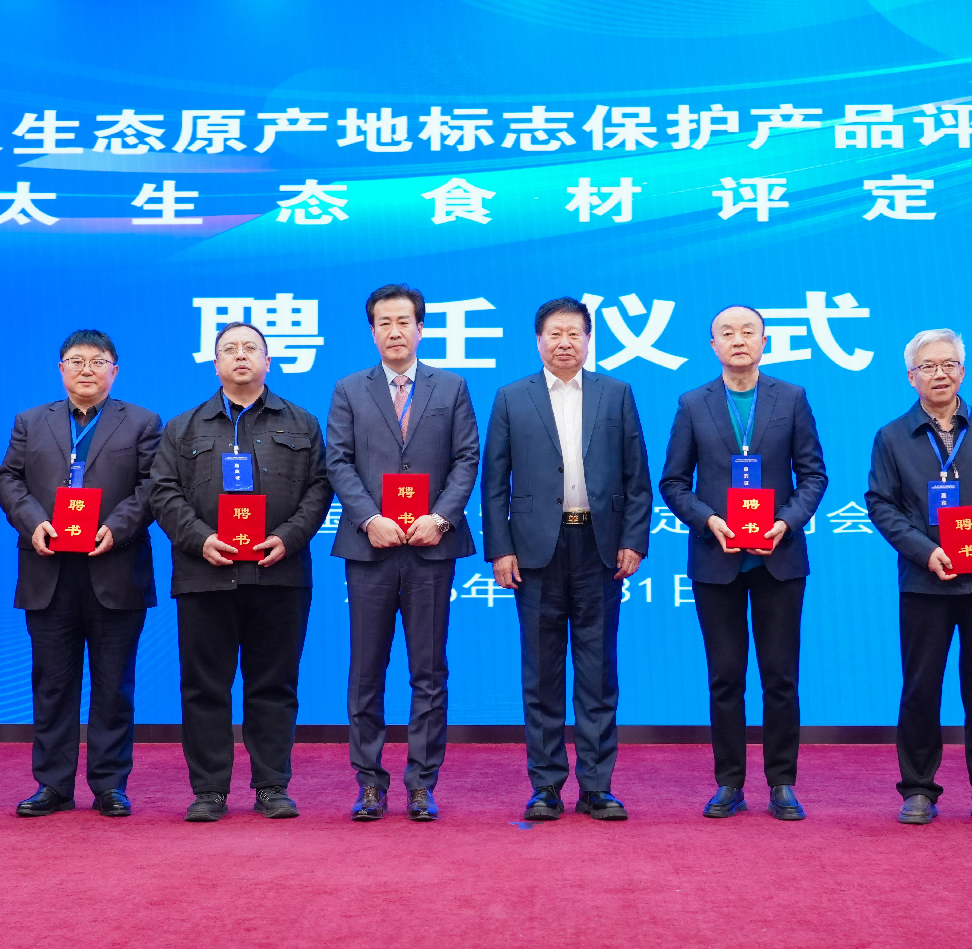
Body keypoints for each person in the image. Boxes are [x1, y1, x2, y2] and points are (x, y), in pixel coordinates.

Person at [149, 322, 333, 823]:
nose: (241, 355)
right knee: (204, 687)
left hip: (279, 573)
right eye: (229, 349)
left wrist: (289, 537)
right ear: (215, 365)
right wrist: (200, 539)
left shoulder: (302, 422)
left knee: (274, 684)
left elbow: (320, 488)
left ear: (268, 361)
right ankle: (209, 790)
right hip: (205, 573)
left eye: (251, 347)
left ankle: (272, 785)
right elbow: (163, 491)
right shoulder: (183, 427)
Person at [483, 297, 652, 822]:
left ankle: (597, 786)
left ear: (588, 340)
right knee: (541, 674)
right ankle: (546, 786)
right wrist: (501, 548)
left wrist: (634, 540)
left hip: (599, 548)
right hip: (536, 552)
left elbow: (637, 477)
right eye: (554, 334)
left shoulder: (616, 394)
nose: (564, 343)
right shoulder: (511, 397)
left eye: (574, 334)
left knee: (598, 673)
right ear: (538, 340)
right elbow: (494, 483)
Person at [659, 305, 828, 820]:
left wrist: (786, 523)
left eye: (748, 332)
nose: (738, 340)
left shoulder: (791, 398)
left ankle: (782, 783)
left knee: (781, 678)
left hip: (779, 559)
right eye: (727, 333)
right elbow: (673, 482)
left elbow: (813, 475)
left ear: (764, 341)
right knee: (725, 678)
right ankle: (729, 782)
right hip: (718, 559)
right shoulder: (693, 403)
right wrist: (709, 520)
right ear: (713, 345)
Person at [326, 285, 480, 822]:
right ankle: (369, 783)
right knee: (365, 671)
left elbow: (467, 459)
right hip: (370, 547)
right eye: (384, 323)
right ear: (372, 331)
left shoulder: (451, 387)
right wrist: (370, 518)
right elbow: (338, 461)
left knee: (429, 672)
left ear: (420, 328)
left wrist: (441, 517)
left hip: (430, 547)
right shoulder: (349, 388)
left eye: (404, 322)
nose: (394, 331)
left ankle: (421, 784)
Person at [0, 329, 163, 819]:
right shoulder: (31, 421)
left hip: (115, 567)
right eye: (76, 360)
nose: (86, 369)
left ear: (115, 370)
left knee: (114, 686)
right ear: (61, 368)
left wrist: (116, 528)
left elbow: (154, 486)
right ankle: (52, 784)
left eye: (98, 361)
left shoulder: (143, 422)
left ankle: (110, 784)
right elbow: (8, 478)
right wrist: (34, 522)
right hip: (49, 569)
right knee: (52, 684)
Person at [864, 329, 972, 827]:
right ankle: (918, 788)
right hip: (925, 581)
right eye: (928, 366)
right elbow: (882, 505)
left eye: (948, 364)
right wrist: (926, 552)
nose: (939, 374)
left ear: (963, 370)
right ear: (910, 377)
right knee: (921, 687)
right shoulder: (892, 436)